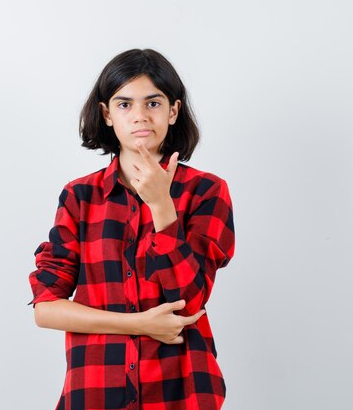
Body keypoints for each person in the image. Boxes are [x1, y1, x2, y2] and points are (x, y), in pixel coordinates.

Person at [28, 48, 235, 410]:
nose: (139, 116)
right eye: (124, 104)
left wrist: (161, 204)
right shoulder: (80, 196)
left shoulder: (206, 191)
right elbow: (46, 310)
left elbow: (192, 299)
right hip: (95, 393)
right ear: (107, 114)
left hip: (181, 393)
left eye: (153, 103)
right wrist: (140, 324)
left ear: (173, 111)